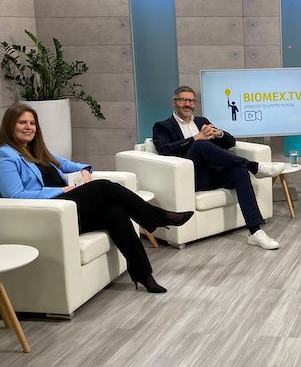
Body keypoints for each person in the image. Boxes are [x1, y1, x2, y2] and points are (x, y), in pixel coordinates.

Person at [0, 103, 193, 293]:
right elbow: (15, 195)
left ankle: (144, 275)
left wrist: (84, 171)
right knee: (102, 186)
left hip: (68, 210)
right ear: (10, 125)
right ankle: (156, 217)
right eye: (22, 122)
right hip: (49, 214)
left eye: (32, 123)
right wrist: (61, 190)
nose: (28, 127)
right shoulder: (5, 155)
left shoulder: (38, 151)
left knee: (115, 213)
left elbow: (72, 165)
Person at [153, 86, 284, 249]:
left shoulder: (201, 121)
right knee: (199, 145)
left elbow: (231, 142)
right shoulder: (162, 126)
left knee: (240, 172)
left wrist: (218, 133)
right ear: (174, 102)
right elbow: (164, 149)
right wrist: (196, 138)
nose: (187, 104)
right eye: (183, 100)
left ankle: (255, 232)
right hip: (192, 179)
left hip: (213, 175)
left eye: (191, 101)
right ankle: (254, 166)